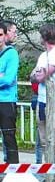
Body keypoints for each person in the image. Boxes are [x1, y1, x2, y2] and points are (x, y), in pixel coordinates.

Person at [30, 23, 55, 163]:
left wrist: (38, 74)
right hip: (42, 100)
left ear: (45, 36)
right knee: (44, 140)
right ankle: (49, 173)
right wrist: (37, 74)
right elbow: (34, 76)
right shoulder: (43, 55)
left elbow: (41, 76)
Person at [0, 21, 19, 163]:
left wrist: (4, 77)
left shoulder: (11, 54)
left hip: (6, 101)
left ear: (5, 35)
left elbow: (8, 79)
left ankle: (14, 173)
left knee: (9, 138)